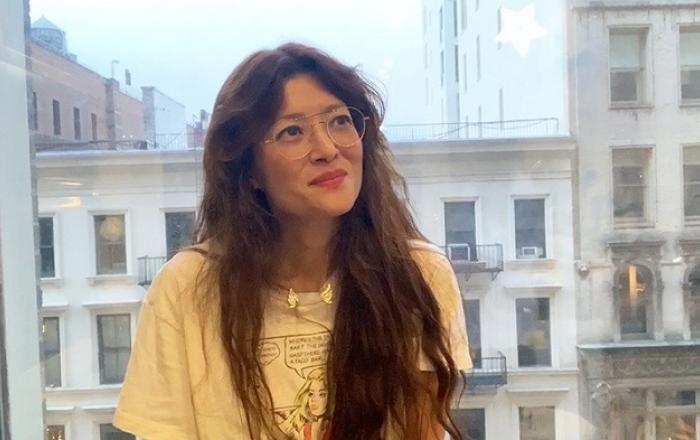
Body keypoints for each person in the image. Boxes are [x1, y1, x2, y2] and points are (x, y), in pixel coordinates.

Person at [113, 42, 472, 440]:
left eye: (339, 121)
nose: (327, 149)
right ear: (248, 169)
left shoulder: (418, 275)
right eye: (292, 131)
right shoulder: (186, 288)